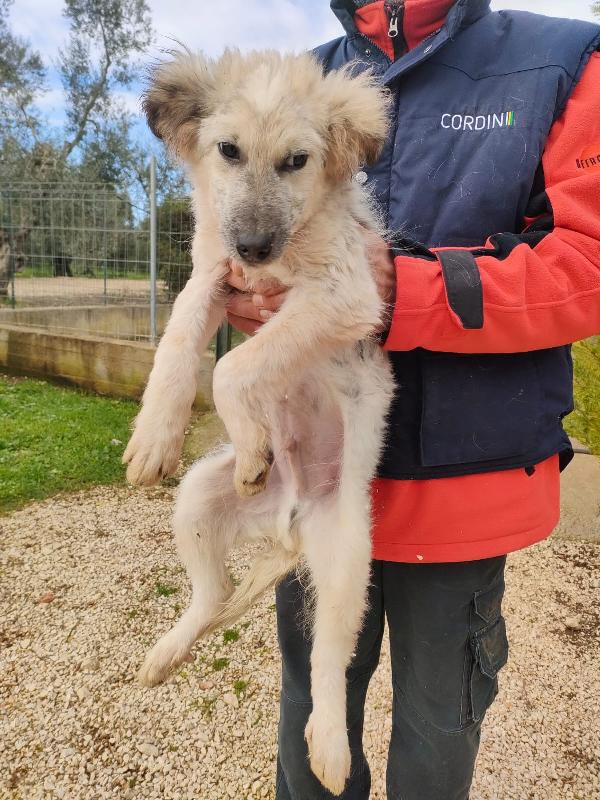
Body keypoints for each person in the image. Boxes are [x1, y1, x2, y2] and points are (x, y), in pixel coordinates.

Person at [226, 2, 600, 797]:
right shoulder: (295, 80)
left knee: (435, 744)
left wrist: (407, 293)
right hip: (313, 477)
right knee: (311, 729)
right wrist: (249, 300)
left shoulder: (563, 59)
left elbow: (589, 263)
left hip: (460, 496)